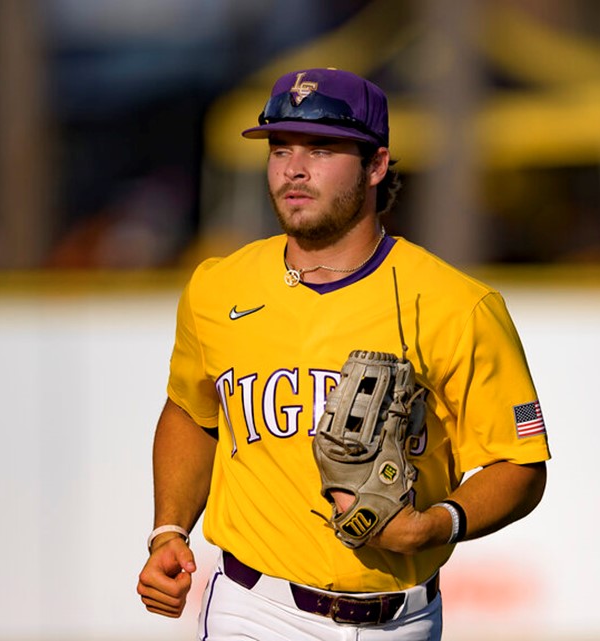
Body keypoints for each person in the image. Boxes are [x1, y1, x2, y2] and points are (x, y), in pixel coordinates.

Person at [136, 67, 551, 640]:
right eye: (280, 150)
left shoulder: (458, 305)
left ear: (377, 165)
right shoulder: (217, 288)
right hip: (255, 609)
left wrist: (436, 524)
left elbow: (520, 462)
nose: (294, 170)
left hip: (399, 619)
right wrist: (168, 530)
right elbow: (191, 410)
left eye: (322, 149)